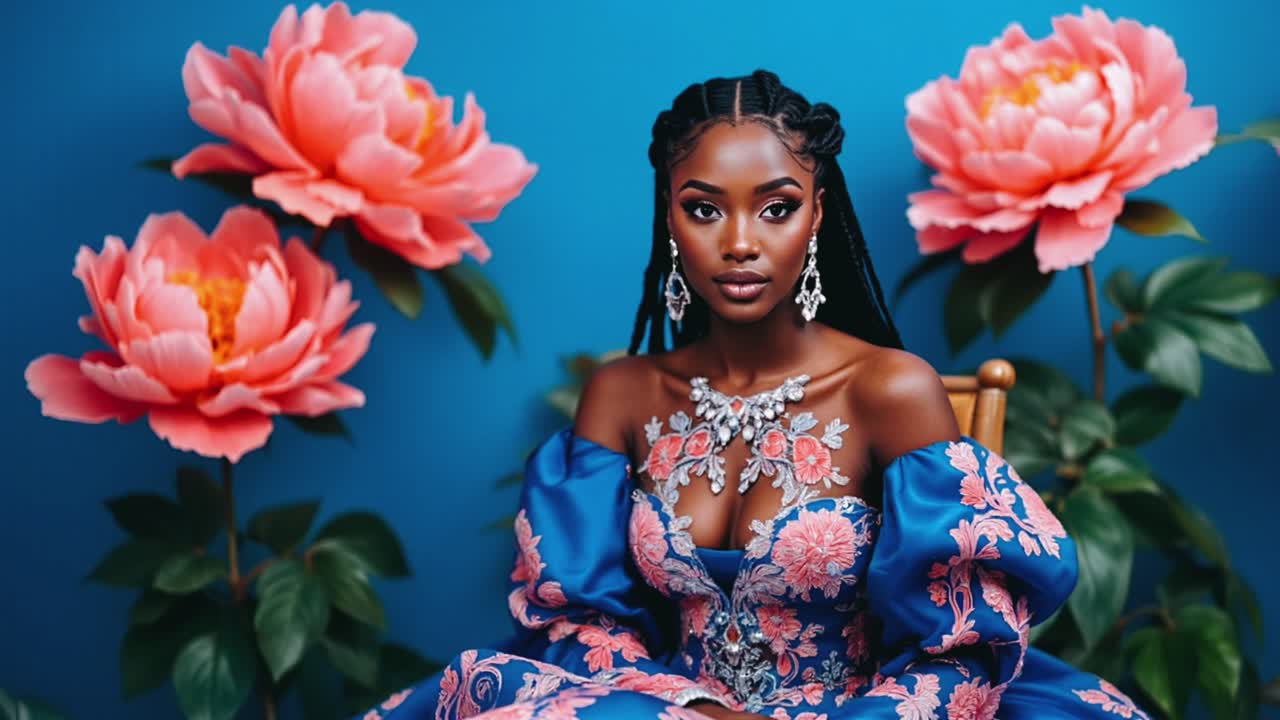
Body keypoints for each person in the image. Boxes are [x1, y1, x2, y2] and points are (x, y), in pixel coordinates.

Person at [356, 70, 1150, 720]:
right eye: (703, 208)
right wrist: (697, 711)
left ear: (818, 213)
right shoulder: (624, 395)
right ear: (668, 216)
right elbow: (579, 622)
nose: (739, 242)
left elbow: (958, 649)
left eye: (777, 207)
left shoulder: (887, 390)